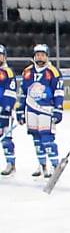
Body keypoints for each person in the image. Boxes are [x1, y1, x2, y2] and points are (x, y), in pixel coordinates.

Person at [16, 44, 64, 178]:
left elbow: (59, 92)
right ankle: (42, 165)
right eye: (37, 54)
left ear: (47, 56)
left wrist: (58, 109)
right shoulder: (27, 72)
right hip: (31, 109)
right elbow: (23, 93)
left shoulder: (53, 72)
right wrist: (20, 110)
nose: (40, 57)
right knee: (36, 139)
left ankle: (55, 166)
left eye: (42, 54)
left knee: (47, 139)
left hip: (46, 109)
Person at [0, 44, 16, 176]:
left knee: (6, 138)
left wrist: (6, 109)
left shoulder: (7, 72)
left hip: (4, 112)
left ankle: (11, 163)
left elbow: (11, 92)